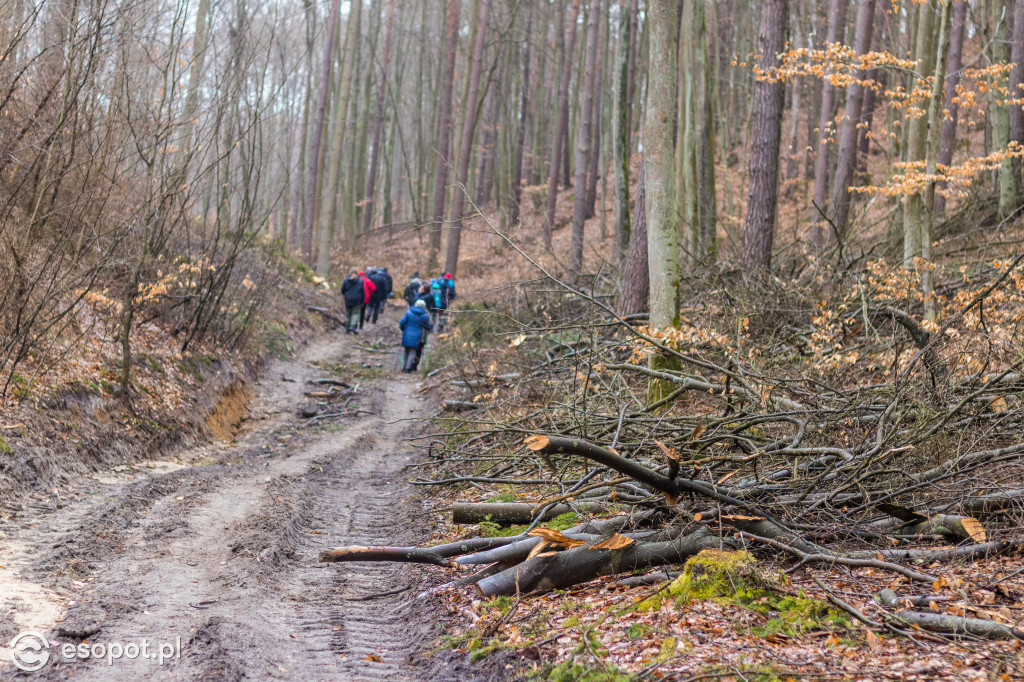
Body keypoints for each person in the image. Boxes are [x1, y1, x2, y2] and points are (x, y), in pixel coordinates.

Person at [399, 300, 433, 373]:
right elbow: (428, 326)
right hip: (417, 335)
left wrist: (403, 329)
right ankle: (408, 368)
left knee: (406, 350)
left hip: (406, 333)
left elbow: (402, 322)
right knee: (412, 351)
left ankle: (404, 366)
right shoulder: (424, 316)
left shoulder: (409, 312)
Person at [341, 269, 364, 334]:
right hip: (357, 300)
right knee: (355, 313)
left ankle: (347, 328)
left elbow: (342, 290)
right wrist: (362, 301)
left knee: (348, 314)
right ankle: (352, 326)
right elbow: (363, 292)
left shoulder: (346, 281)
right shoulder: (360, 281)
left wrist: (346, 296)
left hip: (348, 299)